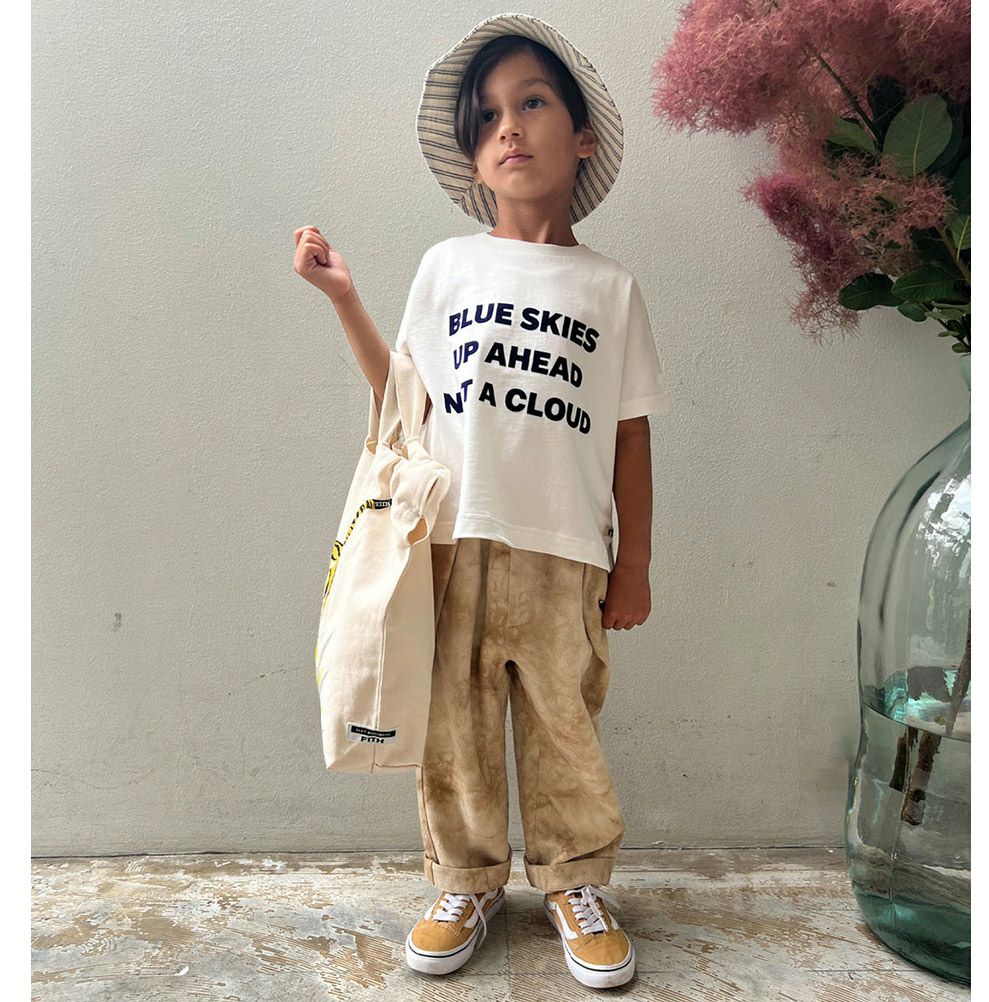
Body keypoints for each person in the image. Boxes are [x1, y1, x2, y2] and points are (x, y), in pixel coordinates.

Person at [293, 13, 671, 991]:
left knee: (564, 732)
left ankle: (575, 884)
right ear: (472, 156)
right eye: (489, 116)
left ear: (580, 135)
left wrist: (632, 563)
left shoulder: (612, 289)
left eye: (531, 102)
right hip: (452, 546)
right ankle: (463, 882)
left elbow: (630, 435)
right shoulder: (447, 268)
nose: (508, 126)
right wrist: (344, 298)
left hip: (567, 555)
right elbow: (403, 403)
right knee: (454, 734)